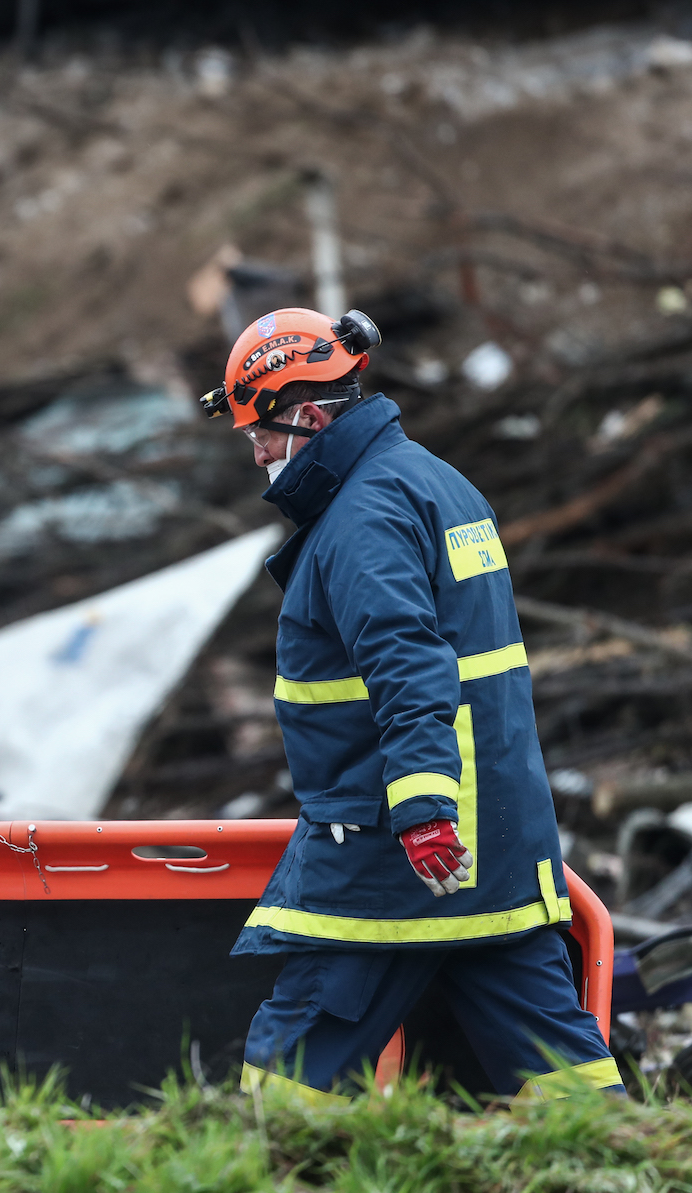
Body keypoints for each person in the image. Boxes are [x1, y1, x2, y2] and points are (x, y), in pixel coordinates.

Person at [200, 307, 621, 1102]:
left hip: (397, 848)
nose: (255, 453)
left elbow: (409, 666)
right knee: (558, 1061)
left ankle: (256, 1160)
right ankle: (622, 1156)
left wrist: (423, 810)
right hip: (493, 840)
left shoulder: (362, 518)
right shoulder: (434, 482)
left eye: (259, 433)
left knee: (297, 1053)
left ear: (309, 418)